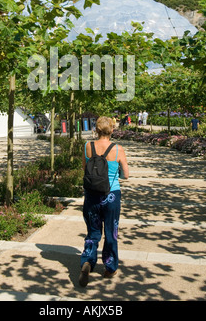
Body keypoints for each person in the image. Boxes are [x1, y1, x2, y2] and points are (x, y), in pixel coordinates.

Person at [79, 116, 129, 287]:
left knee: (93, 232)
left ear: (96, 130)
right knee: (110, 231)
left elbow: (85, 170)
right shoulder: (118, 149)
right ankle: (109, 266)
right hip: (111, 195)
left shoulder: (88, 146)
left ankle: (87, 261)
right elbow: (126, 174)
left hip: (92, 195)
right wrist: (117, 174)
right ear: (112, 130)